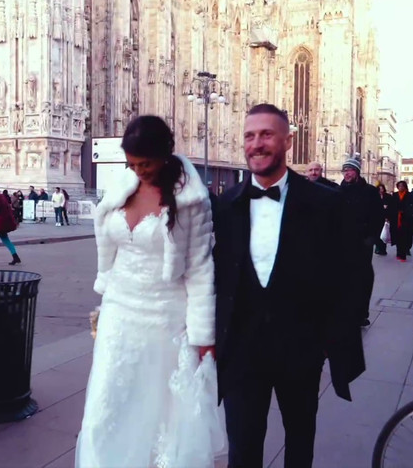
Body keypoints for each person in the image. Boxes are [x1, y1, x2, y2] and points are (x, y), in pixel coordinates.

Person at [214, 104, 364, 467]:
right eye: (250, 136)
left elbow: (353, 275)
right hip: (242, 350)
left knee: (299, 442)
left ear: (287, 141)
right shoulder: (226, 205)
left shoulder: (326, 203)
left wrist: (331, 338)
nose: (256, 144)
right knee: (242, 448)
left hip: (301, 349)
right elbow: (213, 275)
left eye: (266, 134)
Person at [76, 115, 221, 467]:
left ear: (165, 155)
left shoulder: (192, 200)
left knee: (156, 411)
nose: (138, 170)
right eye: (132, 163)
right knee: (106, 405)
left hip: (164, 318)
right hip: (119, 314)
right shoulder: (123, 186)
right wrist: (106, 292)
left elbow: (201, 268)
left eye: (145, 163)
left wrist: (204, 336)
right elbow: (109, 245)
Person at [339, 156, 384, 327]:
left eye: (349, 170)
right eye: (344, 170)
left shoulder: (370, 191)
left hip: (363, 241)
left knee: (362, 278)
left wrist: (372, 238)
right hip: (343, 242)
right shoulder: (339, 191)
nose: (346, 173)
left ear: (356, 171)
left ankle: (361, 313)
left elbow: (379, 216)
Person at [391, 180, 412, 261]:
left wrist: (406, 212)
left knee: (404, 237)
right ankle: (398, 253)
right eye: (399, 186)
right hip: (396, 219)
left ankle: (403, 255)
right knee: (397, 237)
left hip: (405, 219)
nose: (401, 187)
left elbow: (410, 206)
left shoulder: (409, 195)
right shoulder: (395, 195)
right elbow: (392, 206)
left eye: (402, 186)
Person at [375, 183, 394, 256]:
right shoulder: (375, 196)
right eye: (379, 189)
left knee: (384, 234)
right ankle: (378, 248)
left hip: (385, 217)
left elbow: (391, 206)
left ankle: (383, 249)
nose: (381, 190)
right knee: (377, 234)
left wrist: (388, 216)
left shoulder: (388, 196)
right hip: (376, 218)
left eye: (382, 188)